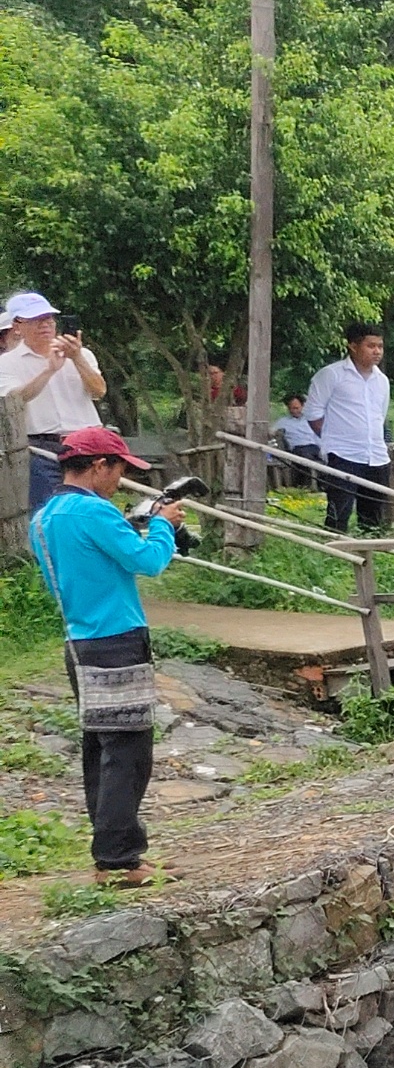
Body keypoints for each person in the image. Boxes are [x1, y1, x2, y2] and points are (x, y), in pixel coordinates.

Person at [27, 426, 184, 884]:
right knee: (129, 752)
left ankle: (116, 852)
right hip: (116, 640)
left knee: (101, 750)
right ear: (99, 466)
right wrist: (161, 525)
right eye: (118, 469)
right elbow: (149, 562)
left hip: (79, 641)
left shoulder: (45, 515)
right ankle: (118, 859)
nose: (119, 479)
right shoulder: (94, 512)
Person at [2, 292, 109, 518]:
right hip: (41, 447)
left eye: (49, 319)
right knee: (50, 513)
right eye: (35, 320)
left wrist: (77, 358)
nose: (45, 325)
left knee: (95, 510)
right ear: (17, 325)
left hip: (87, 442)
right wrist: (49, 370)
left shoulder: (83, 354)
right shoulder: (6, 363)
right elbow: (15, 400)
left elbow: (99, 391)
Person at [304, 324, 394, 533]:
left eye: (380, 346)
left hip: (377, 456)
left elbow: (380, 414)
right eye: (370, 346)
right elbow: (313, 413)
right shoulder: (331, 375)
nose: (377, 351)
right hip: (342, 454)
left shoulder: (382, 380)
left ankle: (371, 556)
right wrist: (333, 438)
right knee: (339, 512)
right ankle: (334, 554)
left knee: (373, 517)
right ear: (353, 346)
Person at [269, 390, 324, 496]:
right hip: (297, 448)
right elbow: (271, 431)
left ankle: (323, 484)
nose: (293, 411)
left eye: (296, 408)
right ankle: (307, 486)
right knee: (305, 458)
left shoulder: (310, 420)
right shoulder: (283, 421)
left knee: (329, 457)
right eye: (291, 408)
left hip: (314, 447)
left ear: (303, 406)